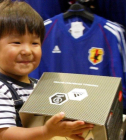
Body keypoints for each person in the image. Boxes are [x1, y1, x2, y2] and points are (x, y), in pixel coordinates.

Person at [0, 0, 94, 140]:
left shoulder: (40, 85)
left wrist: (67, 129)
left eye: (35, 43)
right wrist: (46, 132)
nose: (27, 50)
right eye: (16, 42)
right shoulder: (2, 89)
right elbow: (4, 134)